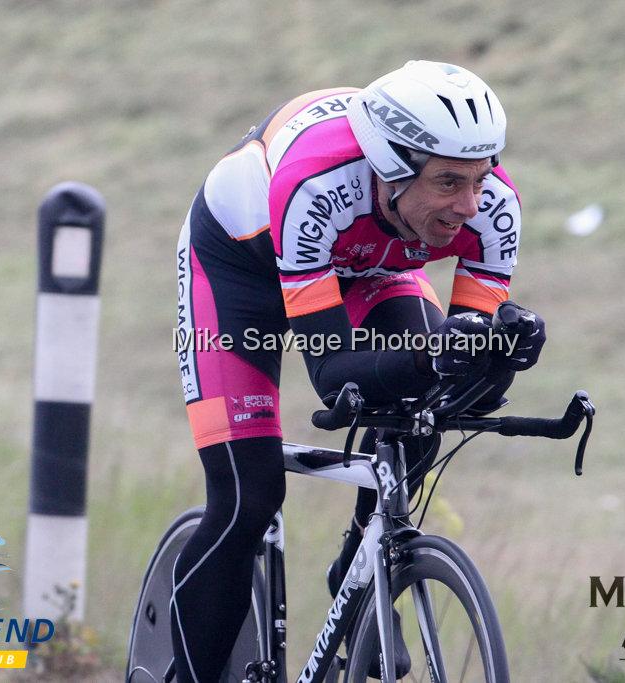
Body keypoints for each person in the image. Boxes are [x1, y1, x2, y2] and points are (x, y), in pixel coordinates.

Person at [171, 60, 546, 681]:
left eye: (481, 178)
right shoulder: (315, 187)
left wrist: (502, 350)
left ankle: (360, 563)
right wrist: (434, 354)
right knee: (249, 496)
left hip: (373, 264)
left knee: (430, 397)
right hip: (239, 268)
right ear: (390, 172)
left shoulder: (494, 207)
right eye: (450, 183)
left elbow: (463, 375)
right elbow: (337, 376)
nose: (471, 204)